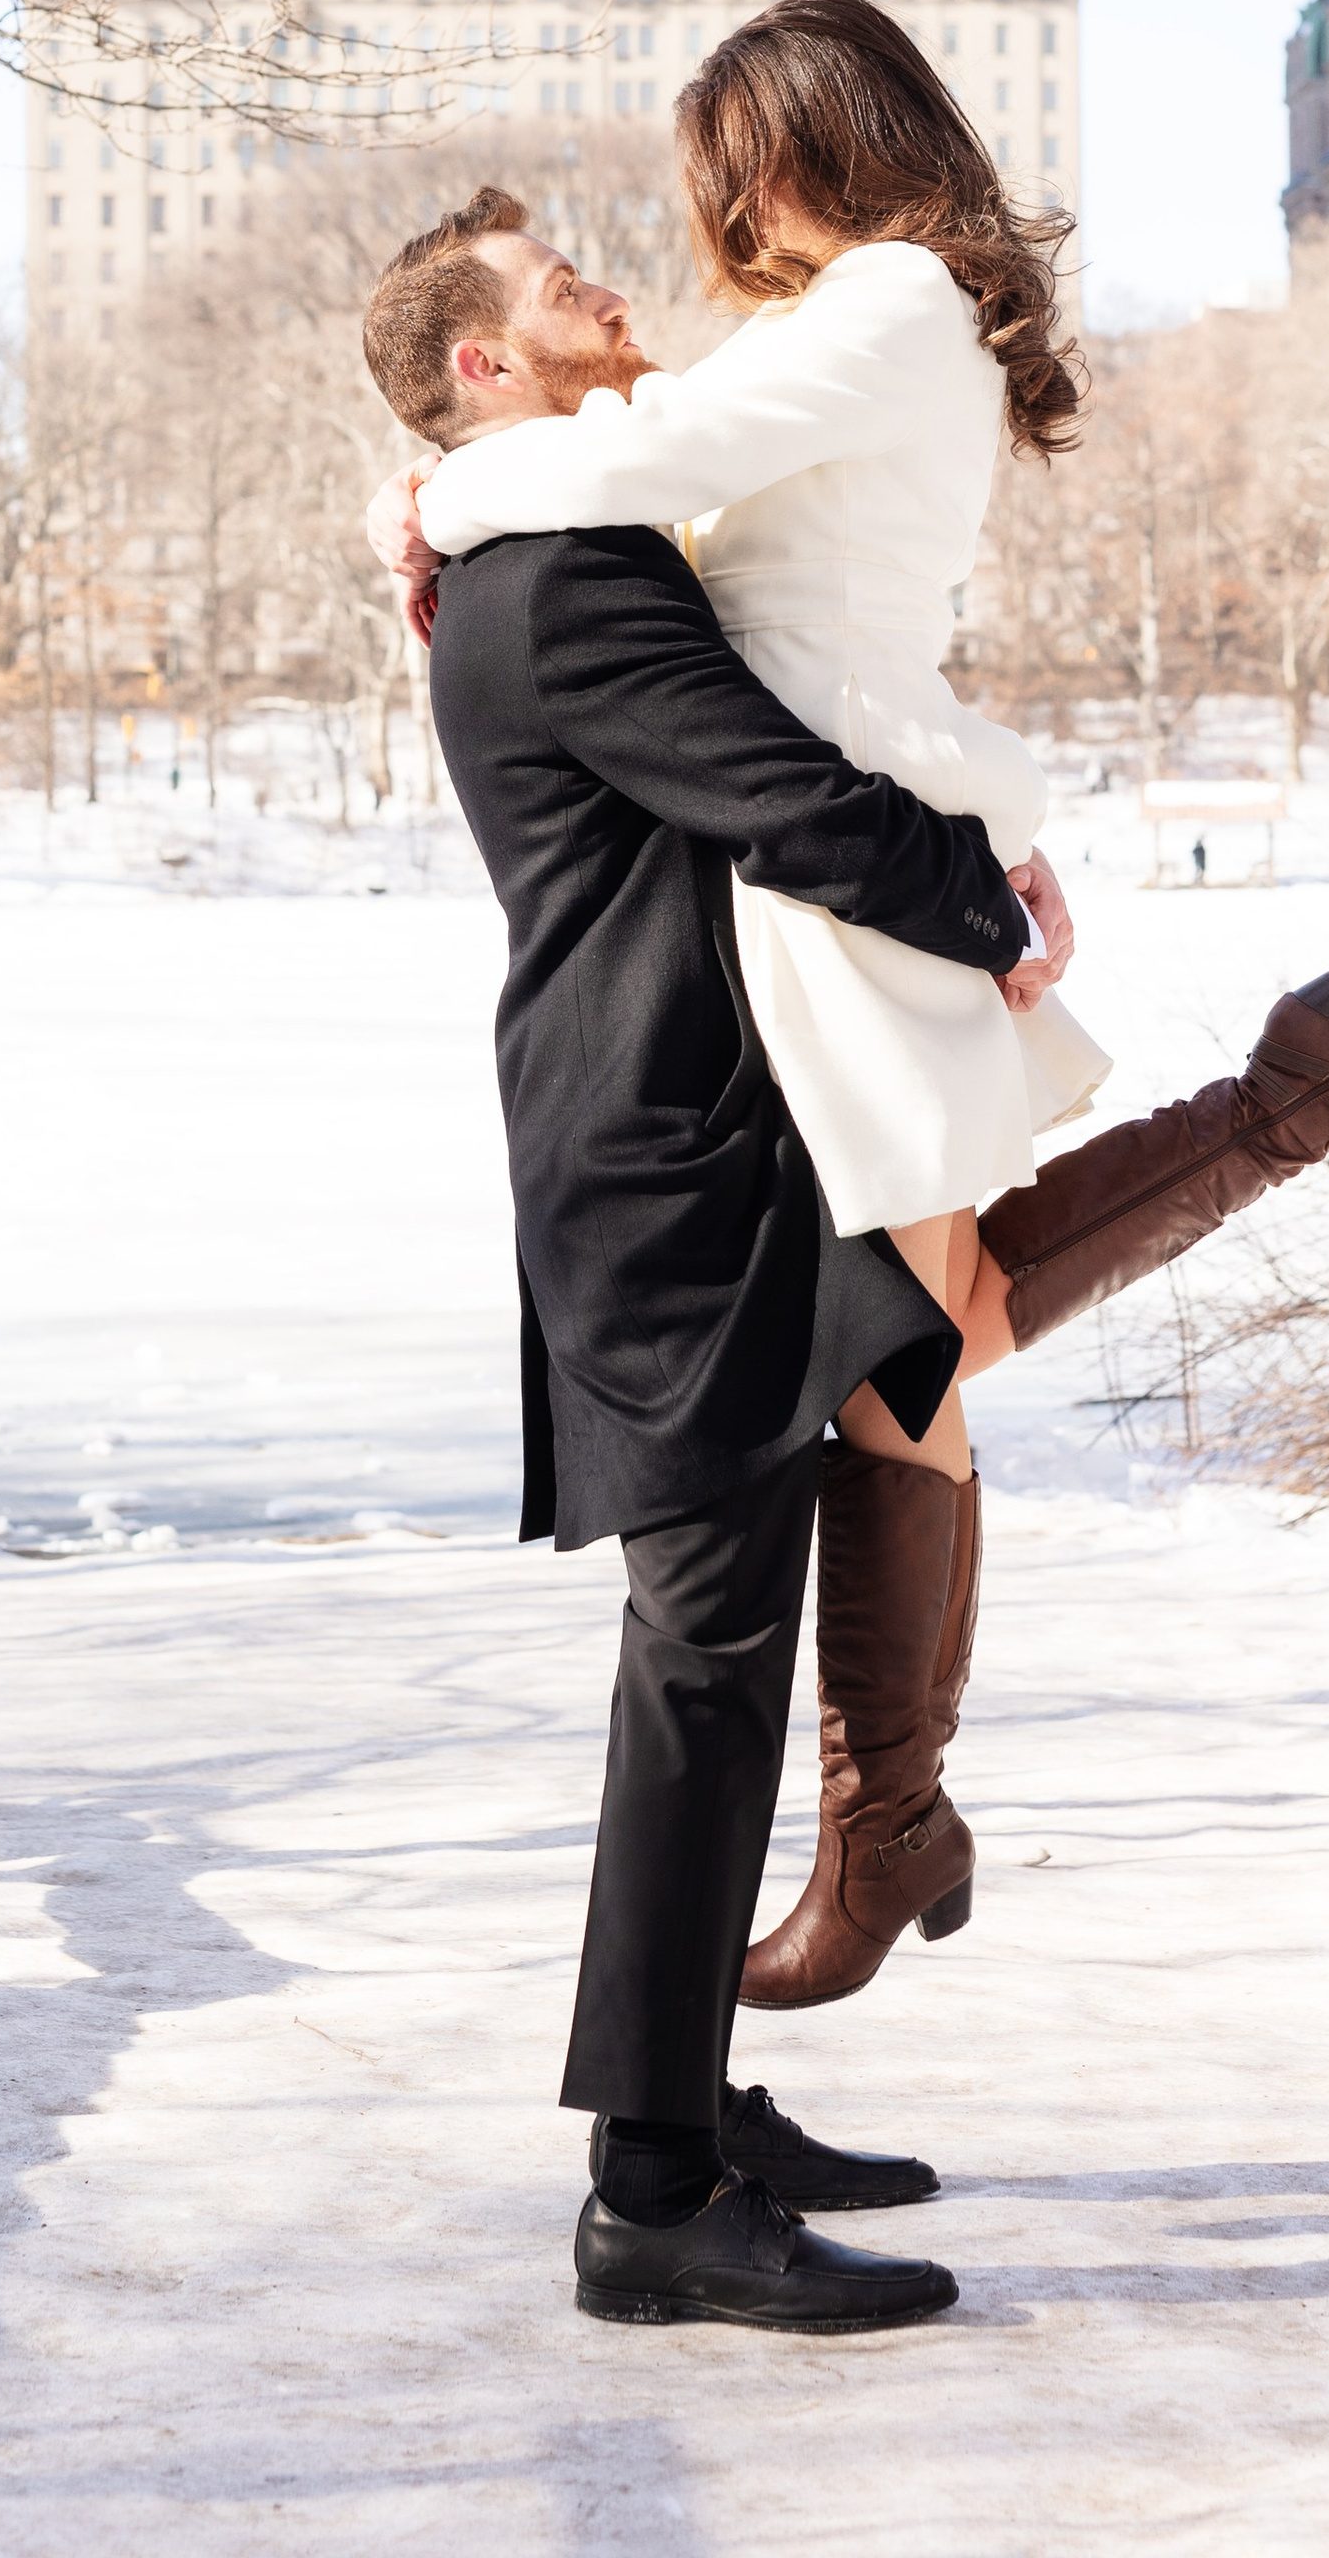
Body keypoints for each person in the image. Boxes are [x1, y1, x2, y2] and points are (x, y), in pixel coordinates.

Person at [367, 0, 1329, 2015]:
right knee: (922, 1333)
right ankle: (889, 1821)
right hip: (846, 842)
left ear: (811, 150)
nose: (712, 222)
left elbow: (660, 461)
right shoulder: (866, 317)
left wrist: (437, 503)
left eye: (730, 177)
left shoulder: (891, 302)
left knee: (925, 1333)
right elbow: (693, 483)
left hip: (840, 860)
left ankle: (889, 1821)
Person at [359, 185, 1044, 2333]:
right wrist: (990, 901)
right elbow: (775, 792)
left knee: (745, 1609)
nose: (608, 291)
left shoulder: (548, 545)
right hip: (669, 1166)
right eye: (559, 289)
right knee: (706, 1655)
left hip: (689, 1141)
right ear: (487, 367)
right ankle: (651, 2197)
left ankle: (686, 2109)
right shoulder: (561, 576)